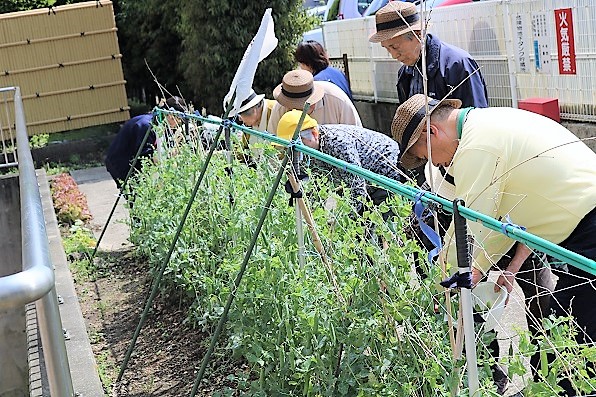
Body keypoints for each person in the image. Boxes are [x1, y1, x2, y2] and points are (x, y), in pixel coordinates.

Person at [393, 93, 596, 396]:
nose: (434, 162)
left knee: (568, 341)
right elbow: (505, 217)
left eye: (425, 155)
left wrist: (445, 280)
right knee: (563, 336)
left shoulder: (478, 147)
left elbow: (474, 222)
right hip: (580, 226)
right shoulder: (483, 127)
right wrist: (483, 269)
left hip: (590, 226)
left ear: (430, 133)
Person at [276, 109, 401, 215]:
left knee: (380, 220)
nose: (295, 152)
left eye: (298, 145)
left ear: (314, 133)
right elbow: (315, 187)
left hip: (384, 167)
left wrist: (343, 223)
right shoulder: (306, 151)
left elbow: (357, 189)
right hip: (359, 177)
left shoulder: (338, 143)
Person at [369, 1, 488, 108]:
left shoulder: (457, 65)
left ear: (418, 34)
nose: (394, 55)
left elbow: (475, 119)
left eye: (395, 47)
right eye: (387, 48)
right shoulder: (404, 73)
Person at [105, 96, 186, 192]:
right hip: (121, 162)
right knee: (137, 196)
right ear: (170, 115)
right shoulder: (146, 126)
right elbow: (145, 157)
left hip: (134, 161)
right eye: (178, 118)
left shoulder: (161, 125)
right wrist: (169, 156)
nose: (179, 122)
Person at [267, 69, 362, 134]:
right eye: (293, 107)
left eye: (302, 107)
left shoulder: (337, 99)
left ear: (314, 100)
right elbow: (272, 145)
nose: (298, 111)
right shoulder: (280, 108)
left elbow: (357, 136)